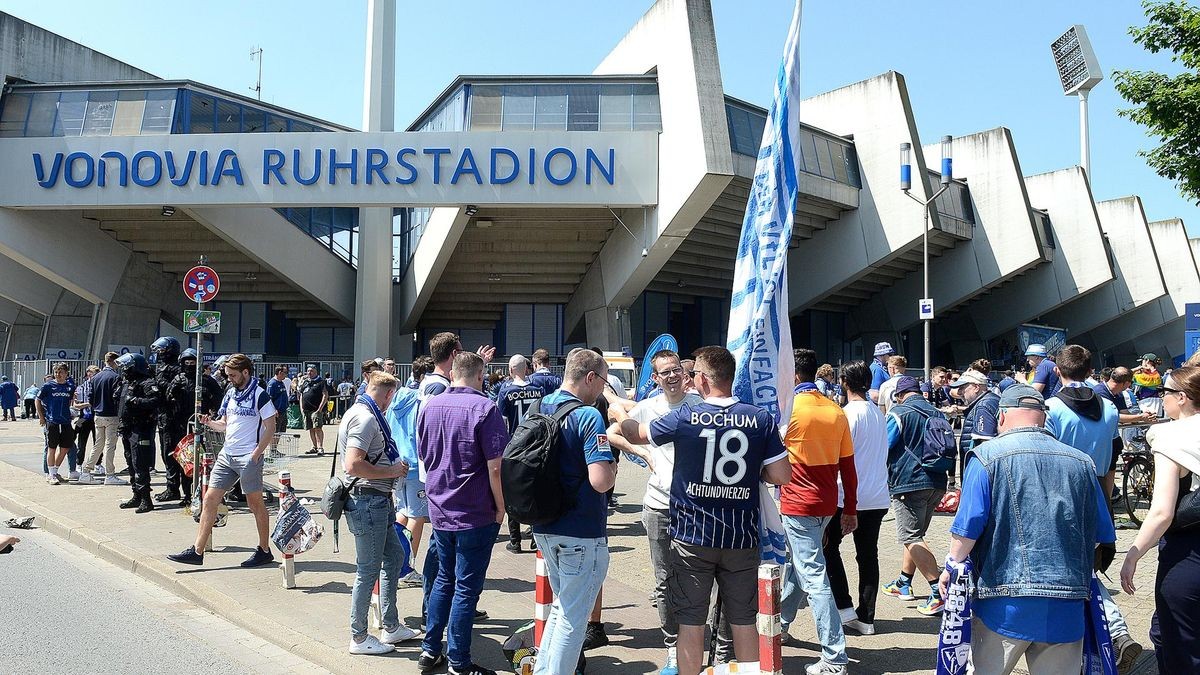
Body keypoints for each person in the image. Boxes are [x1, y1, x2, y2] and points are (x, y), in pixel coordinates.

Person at [614, 346, 790, 675]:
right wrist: (755, 472)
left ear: (704, 380)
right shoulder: (760, 419)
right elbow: (781, 475)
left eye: (694, 374)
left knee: (690, 622)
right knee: (743, 620)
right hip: (740, 535)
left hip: (693, 535)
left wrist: (618, 412)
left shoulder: (685, 417)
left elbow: (636, 435)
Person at [938, 384, 1116, 675]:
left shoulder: (985, 456)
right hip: (1067, 602)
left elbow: (967, 529)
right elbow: (1100, 536)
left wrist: (952, 566)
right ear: (1043, 418)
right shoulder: (1083, 462)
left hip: (1004, 602)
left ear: (1002, 417)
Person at [1042, 344, 1141, 668]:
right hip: (1096, 495)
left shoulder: (1052, 408)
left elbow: (1047, 461)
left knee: (1078, 575)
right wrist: (1106, 506)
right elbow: (1111, 463)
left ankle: (1110, 634)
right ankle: (1108, 637)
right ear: (1090, 371)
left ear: (1058, 370)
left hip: (1059, 498)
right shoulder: (1110, 410)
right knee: (1086, 570)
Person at [607, 349, 702, 674]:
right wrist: (643, 455)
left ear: (683, 373)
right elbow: (613, 432)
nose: (673, 376)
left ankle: (699, 647)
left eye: (677, 370)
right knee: (664, 581)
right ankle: (673, 650)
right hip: (659, 506)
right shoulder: (648, 407)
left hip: (696, 507)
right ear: (656, 378)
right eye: (666, 372)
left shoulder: (698, 405)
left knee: (697, 580)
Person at [416, 353, 507, 675]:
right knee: (466, 588)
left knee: (444, 579)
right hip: (474, 510)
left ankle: (430, 650)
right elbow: (495, 466)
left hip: (441, 507)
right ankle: (459, 662)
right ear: (481, 375)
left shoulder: (429, 406)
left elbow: (424, 455)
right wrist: (500, 507)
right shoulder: (486, 408)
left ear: (453, 373)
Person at [527, 349, 616, 675]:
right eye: (603, 381)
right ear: (590, 377)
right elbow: (600, 480)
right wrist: (612, 468)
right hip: (581, 529)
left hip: (545, 525)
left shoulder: (539, 406)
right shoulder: (588, 416)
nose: (602, 390)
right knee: (572, 619)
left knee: (561, 609)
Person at [778, 348, 855, 675]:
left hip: (797, 504)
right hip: (826, 504)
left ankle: (835, 657)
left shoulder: (788, 411)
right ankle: (780, 622)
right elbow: (849, 468)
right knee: (802, 565)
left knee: (814, 577)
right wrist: (850, 508)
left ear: (794, 376)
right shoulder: (836, 410)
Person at [1120, 366, 1200, 672]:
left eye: (1164, 392)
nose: (1160, 398)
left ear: (1181, 398)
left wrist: (1134, 552)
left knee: (1182, 649)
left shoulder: (1171, 437)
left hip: (1188, 557)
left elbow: (1162, 512)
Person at [167, 354, 277, 568]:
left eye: (233, 375)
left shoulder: (260, 395)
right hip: (227, 454)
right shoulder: (230, 393)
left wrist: (256, 454)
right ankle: (197, 551)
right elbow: (225, 424)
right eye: (227, 375)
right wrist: (210, 423)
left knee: (255, 504)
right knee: (209, 499)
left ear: (245, 372)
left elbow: (271, 426)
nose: (229, 379)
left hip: (248, 456)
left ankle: (264, 550)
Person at [340, 370, 421, 655]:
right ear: (387, 394)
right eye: (392, 396)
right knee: (368, 569)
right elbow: (353, 465)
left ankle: (391, 626)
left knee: (394, 557)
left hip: (376, 500)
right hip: (368, 500)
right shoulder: (365, 419)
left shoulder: (360, 411)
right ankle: (359, 637)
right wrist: (392, 471)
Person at [822, 360, 890, 637]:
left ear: (844, 383)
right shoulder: (878, 413)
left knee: (828, 548)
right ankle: (866, 616)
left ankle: (844, 606)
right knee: (867, 555)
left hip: (847, 494)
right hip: (876, 495)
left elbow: (839, 458)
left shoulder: (847, 414)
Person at [882, 376, 950, 616]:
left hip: (909, 482)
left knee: (910, 536)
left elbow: (884, 445)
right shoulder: (938, 413)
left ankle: (938, 592)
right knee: (915, 535)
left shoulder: (899, 412)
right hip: (938, 481)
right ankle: (903, 583)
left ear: (899, 395)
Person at [495, 354, 545, 553]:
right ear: (527, 368)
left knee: (512, 491)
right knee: (534, 490)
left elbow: (501, 420)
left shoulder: (505, 391)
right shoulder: (537, 390)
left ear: (510, 370)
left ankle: (515, 540)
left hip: (514, 445)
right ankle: (534, 534)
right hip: (534, 444)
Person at [385, 365, 428, 588]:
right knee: (417, 516)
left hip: (398, 463)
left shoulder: (394, 400)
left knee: (402, 513)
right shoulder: (420, 402)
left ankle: (397, 562)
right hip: (414, 465)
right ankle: (406, 567)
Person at [114, 354, 161, 511]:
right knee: (131, 463)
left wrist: (136, 401)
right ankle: (136, 495)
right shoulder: (127, 383)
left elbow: (155, 401)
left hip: (141, 429)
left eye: (127, 368)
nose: (125, 371)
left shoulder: (147, 383)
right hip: (127, 428)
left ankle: (146, 499)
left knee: (140, 464)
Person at [151, 337, 187, 504]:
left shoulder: (177, 369)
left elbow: (175, 390)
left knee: (175, 453)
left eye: (162, 350)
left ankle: (176, 489)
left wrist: (161, 383)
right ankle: (172, 487)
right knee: (166, 453)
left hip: (175, 417)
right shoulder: (161, 368)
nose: (159, 353)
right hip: (164, 415)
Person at [83, 352, 126, 485]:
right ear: (115, 362)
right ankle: (110, 474)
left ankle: (86, 471)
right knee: (110, 445)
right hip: (111, 415)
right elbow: (118, 397)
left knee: (98, 445)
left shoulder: (96, 377)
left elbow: (90, 397)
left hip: (98, 414)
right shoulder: (116, 377)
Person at [37, 362, 78, 485]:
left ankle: (55, 470)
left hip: (65, 421)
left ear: (66, 373)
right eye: (56, 372)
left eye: (61, 372)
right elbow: (37, 400)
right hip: (52, 420)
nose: (58, 374)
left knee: (65, 447)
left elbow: (73, 400)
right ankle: (51, 474)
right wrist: (41, 417)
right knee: (52, 447)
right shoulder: (48, 386)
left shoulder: (69, 387)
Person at [71, 366, 99, 478]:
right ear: (88, 373)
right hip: (84, 417)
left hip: (97, 417)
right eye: (94, 373)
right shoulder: (81, 387)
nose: (96, 375)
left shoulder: (99, 386)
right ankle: (79, 463)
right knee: (81, 442)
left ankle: (98, 463)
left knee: (98, 442)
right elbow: (75, 405)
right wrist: (88, 404)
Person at [298, 365, 329, 455]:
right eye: (308, 371)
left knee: (318, 428)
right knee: (311, 428)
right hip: (306, 409)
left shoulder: (321, 382)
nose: (309, 373)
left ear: (316, 372)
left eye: (311, 371)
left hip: (316, 410)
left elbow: (325, 395)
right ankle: (314, 446)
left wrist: (320, 408)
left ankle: (320, 447)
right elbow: (301, 395)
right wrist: (301, 408)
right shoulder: (305, 382)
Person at [1131, 353, 1165, 417]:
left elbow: (1126, 374)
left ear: (1147, 361)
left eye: (1142, 361)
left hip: (1147, 403)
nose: (1141, 363)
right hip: (1157, 403)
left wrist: (1139, 368)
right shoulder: (1157, 374)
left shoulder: (1144, 376)